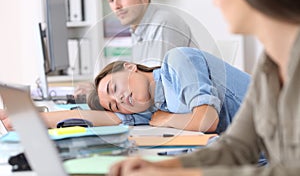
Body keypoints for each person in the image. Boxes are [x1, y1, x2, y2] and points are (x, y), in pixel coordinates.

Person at [108, 0, 300, 175]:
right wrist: (161, 167)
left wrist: (177, 174)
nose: (215, 1)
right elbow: (237, 146)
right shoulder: (268, 66)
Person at [75, 0, 195, 95]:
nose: (116, 6)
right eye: (110, 0)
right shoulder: (138, 30)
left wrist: (100, 93)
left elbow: (154, 89)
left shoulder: (163, 24)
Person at [87, 47, 250, 134]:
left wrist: (167, 119)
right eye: (115, 105)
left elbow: (206, 121)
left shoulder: (177, 61)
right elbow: (114, 119)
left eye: (113, 88)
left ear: (130, 67)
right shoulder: (155, 107)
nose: (119, 99)